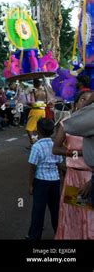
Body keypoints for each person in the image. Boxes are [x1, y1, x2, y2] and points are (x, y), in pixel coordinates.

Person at [53, 91, 94, 239]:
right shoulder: (68, 123)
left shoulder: (91, 120)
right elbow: (56, 149)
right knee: (75, 218)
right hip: (74, 177)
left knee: (89, 219)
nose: (86, 101)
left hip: (90, 177)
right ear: (76, 103)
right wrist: (79, 153)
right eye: (83, 99)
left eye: (89, 99)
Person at [27, 118, 63, 240]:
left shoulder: (36, 146)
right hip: (55, 181)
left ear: (37, 130)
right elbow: (59, 163)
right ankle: (59, 234)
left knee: (38, 211)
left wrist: (30, 185)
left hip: (41, 182)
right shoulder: (55, 145)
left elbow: (32, 166)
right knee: (55, 210)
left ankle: (34, 236)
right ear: (52, 131)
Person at [26, 79, 48, 147]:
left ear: (34, 84)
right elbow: (46, 101)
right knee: (39, 127)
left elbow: (31, 103)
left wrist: (28, 103)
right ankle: (38, 142)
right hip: (43, 111)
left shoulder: (33, 92)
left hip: (36, 111)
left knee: (29, 128)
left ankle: (32, 142)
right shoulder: (44, 91)